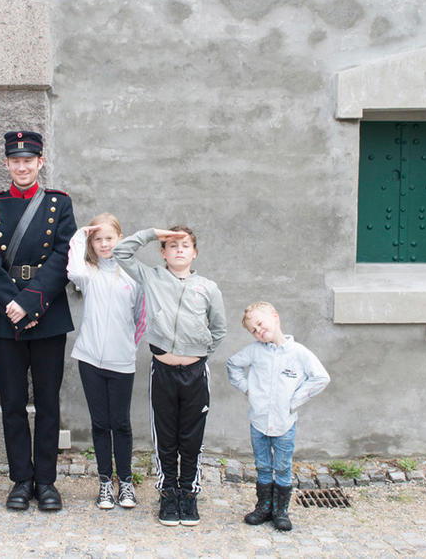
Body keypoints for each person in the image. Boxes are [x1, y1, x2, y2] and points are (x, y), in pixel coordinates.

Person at [0, 130, 76, 511]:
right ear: (6, 163)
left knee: (48, 403)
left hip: (48, 316)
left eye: (28, 160)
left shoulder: (59, 204)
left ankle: (47, 482)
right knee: (13, 404)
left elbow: (63, 257)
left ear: (40, 161)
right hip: (6, 318)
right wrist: (12, 306)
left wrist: (31, 304)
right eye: (15, 160)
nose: (22, 166)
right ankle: (21, 479)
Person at [113, 226, 227, 527]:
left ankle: (188, 494)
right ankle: (168, 493)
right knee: (165, 436)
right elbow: (120, 252)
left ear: (194, 252)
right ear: (163, 252)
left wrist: (198, 353)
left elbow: (219, 329)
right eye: (172, 245)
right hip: (162, 370)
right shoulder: (152, 277)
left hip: (195, 373)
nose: (178, 249)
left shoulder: (208, 287)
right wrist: (152, 233)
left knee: (191, 437)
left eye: (185, 244)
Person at [226, 301, 330, 531]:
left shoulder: (298, 353)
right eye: (254, 330)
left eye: (261, 324)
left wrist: (295, 401)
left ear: (275, 316)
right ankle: (264, 505)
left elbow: (320, 377)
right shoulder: (254, 351)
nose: (259, 331)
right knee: (263, 465)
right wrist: (247, 389)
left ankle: (281, 510)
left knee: (282, 467)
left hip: (285, 423)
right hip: (259, 422)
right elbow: (233, 365)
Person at [67, 213, 146, 510]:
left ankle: (125, 482)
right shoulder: (88, 273)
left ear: (120, 239)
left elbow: (140, 317)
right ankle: (104, 482)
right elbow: (72, 270)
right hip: (89, 359)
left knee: (121, 423)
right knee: (100, 423)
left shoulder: (133, 277)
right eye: (97, 239)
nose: (103, 244)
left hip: (122, 361)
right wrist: (78, 236)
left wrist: (126, 347)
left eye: (109, 238)